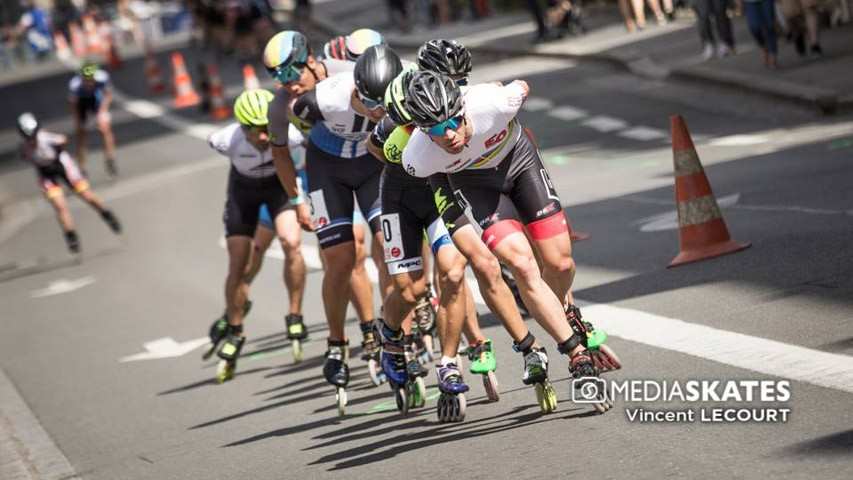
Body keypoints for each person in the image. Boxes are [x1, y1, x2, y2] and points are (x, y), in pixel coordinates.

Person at [402, 71, 618, 412]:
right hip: (476, 185)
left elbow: (522, 86)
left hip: (519, 162)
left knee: (560, 262)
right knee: (519, 262)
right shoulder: (418, 158)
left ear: (462, 108)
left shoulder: (494, 103)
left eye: (454, 122)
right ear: (422, 131)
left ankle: (564, 311)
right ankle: (575, 353)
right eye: (436, 131)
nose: (450, 135)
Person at [263, 31, 389, 390]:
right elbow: (279, 153)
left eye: (290, 75)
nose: (287, 86)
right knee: (339, 258)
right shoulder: (281, 105)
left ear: (310, 61)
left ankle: (395, 330)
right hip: (325, 170)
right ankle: (337, 343)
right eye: (278, 79)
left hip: (370, 162)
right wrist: (296, 199)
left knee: (388, 244)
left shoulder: (344, 71)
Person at [205, 89, 304, 383]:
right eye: (255, 131)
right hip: (242, 193)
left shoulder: (292, 134)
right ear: (241, 127)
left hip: (278, 187)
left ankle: (295, 315)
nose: (263, 137)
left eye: (267, 129)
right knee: (238, 264)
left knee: (292, 242)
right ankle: (235, 329)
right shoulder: (224, 140)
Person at [16, 112, 122, 255]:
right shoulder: (24, 148)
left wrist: (58, 151)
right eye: (28, 137)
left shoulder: (46, 138)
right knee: (60, 206)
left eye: (34, 135)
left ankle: (106, 213)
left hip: (63, 167)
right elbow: (26, 157)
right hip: (46, 174)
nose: (32, 139)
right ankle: (71, 236)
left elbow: (63, 140)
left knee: (86, 195)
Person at [68, 61, 118, 177]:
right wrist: (77, 121)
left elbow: (108, 95)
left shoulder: (102, 77)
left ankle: (110, 158)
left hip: (97, 101)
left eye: (91, 79)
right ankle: (81, 167)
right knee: (81, 135)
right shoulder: (75, 85)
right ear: (81, 77)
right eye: (86, 80)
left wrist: (102, 112)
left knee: (105, 129)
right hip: (82, 104)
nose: (89, 82)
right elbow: (73, 105)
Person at [743, 0, 779, 67]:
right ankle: (764, 46)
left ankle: (773, 54)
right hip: (750, 2)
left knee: (770, 26)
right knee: (754, 28)